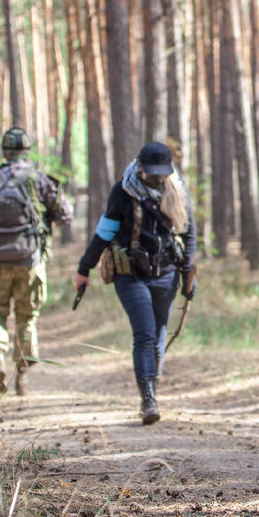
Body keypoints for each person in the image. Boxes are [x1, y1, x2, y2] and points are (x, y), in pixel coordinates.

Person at [74, 141, 197, 426]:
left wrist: (188, 270)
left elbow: (189, 234)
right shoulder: (122, 192)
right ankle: (148, 399)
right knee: (144, 334)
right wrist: (84, 268)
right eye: (149, 173)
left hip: (167, 274)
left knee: (159, 336)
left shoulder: (177, 189)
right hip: (130, 274)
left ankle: (152, 384)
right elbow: (104, 233)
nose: (154, 178)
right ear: (139, 167)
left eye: (159, 174)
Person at [0, 127, 73, 396]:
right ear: (26, 151)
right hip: (30, 261)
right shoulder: (38, 179)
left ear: (4, 151)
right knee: (27, 319)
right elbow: (65, 215)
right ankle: (22, 376)